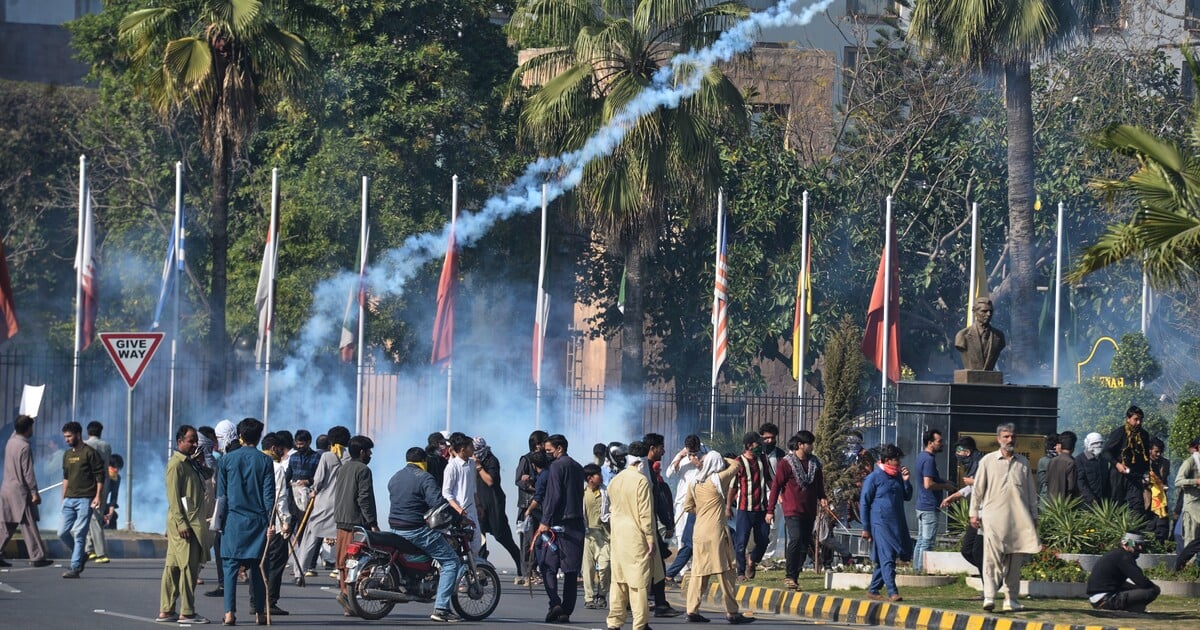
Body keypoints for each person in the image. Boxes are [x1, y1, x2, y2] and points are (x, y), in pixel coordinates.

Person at [969, 422, 1040, 613]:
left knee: (1014, 564)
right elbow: (977, 490)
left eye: (1012, 436)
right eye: (1006, 436)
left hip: (1019, 520)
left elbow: (1031, 493)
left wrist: (1034, 516)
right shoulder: (988, 461)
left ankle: (1011, 599)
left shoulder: (1023, 463)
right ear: (998, 439)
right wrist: (973, 513)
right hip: (993, 520)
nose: (1010, 440)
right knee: (991, 561)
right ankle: (989, 597)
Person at [387, 446, 462, 623]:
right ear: (424, 462)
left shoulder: (395, 476)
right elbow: (438, 503)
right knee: (451, 562)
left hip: (396, 528)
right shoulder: (425, 477)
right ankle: (442, 608)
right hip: (416, 529)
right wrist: (458, 518)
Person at [682, 450, 755, 624]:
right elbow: (737, 465)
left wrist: (702, 512)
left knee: (699, 573)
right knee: (727, 572)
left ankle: (692, 610)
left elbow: (687, 507)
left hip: (699, 532)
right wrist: (722, 457)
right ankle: (732, 612)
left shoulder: (694, 483)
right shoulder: (717, 481)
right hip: (716, 532)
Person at [216, 418, 275, 626]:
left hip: (232, 520)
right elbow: (270, 498)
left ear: (239, 436)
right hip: (258, 522)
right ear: (259, 438)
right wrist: (271, 523)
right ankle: (260, 612)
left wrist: (218, 523)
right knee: (258, 568)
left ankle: (229, 613)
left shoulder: (225, 460)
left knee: (230, 567)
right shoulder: (266, 461)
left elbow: (221, 496)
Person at [156, 425, 210, 624]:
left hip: (190, 521)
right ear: (179, 441)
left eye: (196, 440)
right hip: (185, 524)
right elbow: (173, 497)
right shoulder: (176, 465)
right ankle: (187, 612)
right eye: (191, 440)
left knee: (173, 566)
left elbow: (207, 475)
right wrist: (181, 523)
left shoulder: (190, 463)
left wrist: (201, 462)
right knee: (188, 567)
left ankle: (166, 609)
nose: (195, 444)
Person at [604, 442, 658, 630]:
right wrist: (651, 539)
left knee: (618, 581)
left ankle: (614, 622)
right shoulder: (641, 481)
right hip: (636, 537)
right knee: (638, 584)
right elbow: (645, 514)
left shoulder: (615, 480)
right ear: (642, 461)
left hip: (618, 537)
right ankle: (640, 624)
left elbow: (610, 510)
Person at [766, 430, 827, 590]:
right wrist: (770, 510)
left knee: (805, 543)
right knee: (796, 538)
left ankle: (796, 575)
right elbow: (776, 486)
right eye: (809, 444)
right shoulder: (786, 463)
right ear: (800, 445)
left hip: (809, 509)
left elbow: (818, 484)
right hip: (792, 509)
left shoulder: (815, 463)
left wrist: (822, 497)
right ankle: (790, 576)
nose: (812, 447)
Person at [536, 434, 585, 624]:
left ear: (559, 449)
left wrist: (545, 520)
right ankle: (565, 610)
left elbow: (555, 495)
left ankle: (555, 603)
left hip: (557, 526)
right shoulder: (577, 466)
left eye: (549, 451)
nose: (546, 454)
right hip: (575, 525)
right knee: (571, 571)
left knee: (548, 565)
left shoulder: (557, 466)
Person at [293, 426, 349, 583]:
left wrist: (313, 491)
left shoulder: (327, 457)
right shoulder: (349, 458)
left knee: (310, 537)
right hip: (342, 504)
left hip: (323, 503)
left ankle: (299, 572)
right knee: (342, 540)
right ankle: (340, 573)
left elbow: (318, 481)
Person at [859, 443, 912, 602]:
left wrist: (906, 480)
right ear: (887, 460)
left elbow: (907, 496)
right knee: (888, 556)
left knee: (886, 557)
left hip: (896, 524)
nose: (899, 463)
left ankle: (874, 590)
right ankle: (892, 591)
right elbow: (864, 502)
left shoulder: (897, 477)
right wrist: (866, 528)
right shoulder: (874, 478)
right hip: (880, 523)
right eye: (896, 459)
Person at [0, 415, 52, 568]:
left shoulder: (11, 442)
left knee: (7, 525)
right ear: (27, 429)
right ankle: (38, 556)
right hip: (20, 492)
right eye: (31, 427)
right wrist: (34, 492)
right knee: (29, 524)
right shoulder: (24, 446)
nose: (32, 430)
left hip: (6, 489)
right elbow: (28, 472)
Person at [334, 435, 377, 614]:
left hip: (342, 520)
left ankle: (346, 594)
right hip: (357, 522)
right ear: (362, 452)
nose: (370, 455)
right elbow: (364, 498)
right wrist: (372, 522)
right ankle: (350, 596)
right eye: (369, 451)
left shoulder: (343, 468)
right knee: (360, 560)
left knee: (344, 560)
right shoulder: (363, 470)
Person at [642, 432, 681, 618]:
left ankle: (660, 603)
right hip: (643, 527)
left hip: (647, 525)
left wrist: (667, 522)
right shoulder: (644, 470)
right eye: (661, 448)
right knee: (650, 567)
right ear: (652, 449)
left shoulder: (647, 468)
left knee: (657, 567)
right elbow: (652, 501)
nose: (663, 451)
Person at [59, 421, 105, 579]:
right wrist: (63, 497)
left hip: (85, 499)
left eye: (69, 436)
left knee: (79, 533)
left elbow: (100, 475)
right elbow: (65, 477)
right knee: (62, 533)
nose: (66, 439)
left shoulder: (89, 452)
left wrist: (98, 496)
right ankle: (81, 554)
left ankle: (75, 567)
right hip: (69, 500)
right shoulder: (67, 454)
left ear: (78, 435)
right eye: (65, 437)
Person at [472, 436, 522, 575]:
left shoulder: (491, 460)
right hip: (479, 504)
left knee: (502, 536)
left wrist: (479, 467)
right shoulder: (469, 462)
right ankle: (480, 570)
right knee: (480, 538)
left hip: (494, 503)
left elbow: (490, 481)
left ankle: (521, 565)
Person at [727, 431, 772, 582]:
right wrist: (728, 506)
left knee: (764, 539)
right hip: (744, 508)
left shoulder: (763, 459)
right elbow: (733, 487)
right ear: (748, 446)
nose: (760, 446)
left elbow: (770, 480)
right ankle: (740, 572)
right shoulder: (738, 462)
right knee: (741, 542)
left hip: (762, 508)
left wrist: (777, 495)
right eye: (757, 443)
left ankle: (752, 560)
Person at [204, 419, 238, 598]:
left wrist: (217, 517)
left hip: (231, 512)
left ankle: (225, 586)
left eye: (219, 438)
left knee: (224, 550)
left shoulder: (228, 459)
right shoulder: (226, 456)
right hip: (236, 512)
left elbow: (222, 492)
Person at [663, 435, 705, 583]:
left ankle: (695, 566)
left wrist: (698, 463)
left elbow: (714, 471)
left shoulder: (706, 454)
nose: (693, 454)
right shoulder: (682, 456)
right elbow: (668, 473)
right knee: (681, 535)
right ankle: (683, 570)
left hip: (699, 501)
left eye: (695, 451)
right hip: (682, 501)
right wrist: (680, 457)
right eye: (690, 451)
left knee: (696, 535)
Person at [912, 429, 954, 574]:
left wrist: (943, 481)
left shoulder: (922, 457)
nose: (942, 444)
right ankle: (922, 571)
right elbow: (928, 484)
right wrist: (945, 486)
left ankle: (917, 568)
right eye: (939, 441)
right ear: (930, 443)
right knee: (928, 541)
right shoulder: (929, 459)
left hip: (922, 505)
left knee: (921, 539)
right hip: (929, 506)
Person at [1086, 533, 1160, 614]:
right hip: (1106, 600)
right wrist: (1150, 588)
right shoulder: (1124, 557)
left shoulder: (1116, 554)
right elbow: (1142, 582)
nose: (1140, 548)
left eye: (1142, 545)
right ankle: (1133, 609)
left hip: (1098, 599)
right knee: (1153, 590)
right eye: (1136, 544)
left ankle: (1134, 608)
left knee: (1136, 588)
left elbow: (1113, 582)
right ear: (1127, 543)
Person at [941, 436, 982, 574]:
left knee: (973, 551)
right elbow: (970, 489)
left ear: (967, 452)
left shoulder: (981, 463)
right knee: (970, 551)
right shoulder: (973, 464)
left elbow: (990, 485)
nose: (957, 455)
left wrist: (974, 482)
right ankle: (991, 580)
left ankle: (993, 579)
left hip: (984, 513)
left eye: (959, 451)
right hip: (976, 514)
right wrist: (953, 497)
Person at [260, 433, 291, 617]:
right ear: (273, 448)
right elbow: (280, 497)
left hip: (258, 521)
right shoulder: (277, 468)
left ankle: (257, 601)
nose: (283, 453)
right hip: (275, 523)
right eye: (281, 449)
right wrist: (286, 521)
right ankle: (270, 601)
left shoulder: (255, 464)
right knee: (276, 562)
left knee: (260, 563)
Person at [1103, 406, 1152, 516]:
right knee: (1116, 506)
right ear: (1128, 419)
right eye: (1136, 419)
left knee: (1137, 506)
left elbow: (1146, 457)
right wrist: (1117, 464)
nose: (1138, 422)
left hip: (1135, 476)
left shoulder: (1144, 435)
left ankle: (1134, 531)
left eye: (1140, 419)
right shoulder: (1119, 433)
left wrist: (1146, 473)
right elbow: (1106, 452)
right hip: (1118, 475)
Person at [514, 429, 549, 585]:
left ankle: (539, 569)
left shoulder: (549, 459)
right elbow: (519, 481)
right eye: (544, 442)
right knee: (528, 541)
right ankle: (528, 572)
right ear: (537, 444)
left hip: (543, 505)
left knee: (543, 539)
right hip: (528, 505)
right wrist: (534, 485)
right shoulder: (526, 459)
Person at [442, 432, 482, 555]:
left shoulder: (471, 464)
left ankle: (470, 569)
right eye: (471, 447)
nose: (473, 449)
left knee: (476, 543)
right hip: (459, 513)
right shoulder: (452, 467)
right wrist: (458, 510)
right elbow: (446, 493)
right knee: (461, 545)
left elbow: (473, 487)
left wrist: (478, 505)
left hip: (472, 511)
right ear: (463, 450)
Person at [581, 463, 611, 609]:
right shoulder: (582, 493)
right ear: (590, 478)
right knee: (588, 569)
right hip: (587, 536)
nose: (601, 477)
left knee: (605, 566)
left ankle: (602, 594)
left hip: (604, 535)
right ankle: (589, 597)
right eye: (598, 474)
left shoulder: (606, 492)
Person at [757, 423, 787, 569]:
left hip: (776, 495)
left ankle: (768, 557)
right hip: (757, 493)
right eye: (766, 438)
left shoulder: (781, 455)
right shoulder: (755, 453)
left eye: (772, 438)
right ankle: (756, 554)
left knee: (774, 526)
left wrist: (781, 493)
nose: (769, 441)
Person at [83, 420, 112, 564]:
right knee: (95, 515)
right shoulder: (106, 446)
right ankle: (89, 549)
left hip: (89, 483)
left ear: (88, 432)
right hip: (104, 483)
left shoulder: (85, 445)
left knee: (92, 517)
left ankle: (100, 552)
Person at [285, 429, 320, 545]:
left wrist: (308, 481)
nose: (299, 446)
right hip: (292, 498)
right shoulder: (293, 457)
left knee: (302, 529)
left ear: (309, 442)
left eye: (301, 444)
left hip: (307, 498)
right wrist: (287, 483)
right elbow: (288, 474)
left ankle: (301, 555)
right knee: (287, 527)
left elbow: (319, 478)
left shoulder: (316, 457)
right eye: (297, 443)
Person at [953, 297, 1006, 370]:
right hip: (971, 376)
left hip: (990, 378)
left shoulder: (999, 336)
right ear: (975, 312)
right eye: (984, 311)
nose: (988, 314)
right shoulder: (962, 336)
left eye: (991, 311)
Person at [1174, 436, 1200, 569]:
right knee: (1191, 538)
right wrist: (1195, 481)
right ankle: (1187, 569)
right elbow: (1178, 481)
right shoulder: (1190, 462)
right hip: (1191, 506)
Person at [1076, 432, 1110, 507]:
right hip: (1086, 503)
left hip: (1103, 502)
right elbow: (1081, 482)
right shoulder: (1080, 459)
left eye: (1101, 443)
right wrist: (1091, 498)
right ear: (1088, 444)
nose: (1099, 445)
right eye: (1095, 443)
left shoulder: (1103, 459)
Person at [1146, 439, 1171, 541]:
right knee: (1147, 527)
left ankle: (1160, 545)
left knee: (1162, 526)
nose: (1158, 454)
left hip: (1161, 500)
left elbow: (1163, 479)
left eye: (1160, 452)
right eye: (1156, 451)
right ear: (1150, 450)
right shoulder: (1143, 463)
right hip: (1147, 500)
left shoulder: (1165, 463)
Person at [1046, 432, 1078, 499]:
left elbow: (1047, 481)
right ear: (1073, 446)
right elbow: (1071, 486)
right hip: (1065, 505)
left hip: (1051, 503)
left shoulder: (1052, 461)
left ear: (1061, 445)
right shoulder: (1071, 462)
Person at [99, 454, 123, 529]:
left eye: (118, 468)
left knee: (114, 517)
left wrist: (110, 513)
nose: (116, 470)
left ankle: (112, 538)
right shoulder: (100, 475)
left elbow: (114, 496)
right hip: (92, 502)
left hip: (102, 504)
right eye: (114, 467)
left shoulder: (117, 478)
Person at [1035, 433, 1057, 499]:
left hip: (1045, 497)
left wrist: (1038, 497)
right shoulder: (1063, 460)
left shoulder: (1043, 460)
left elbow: (1040, 481)